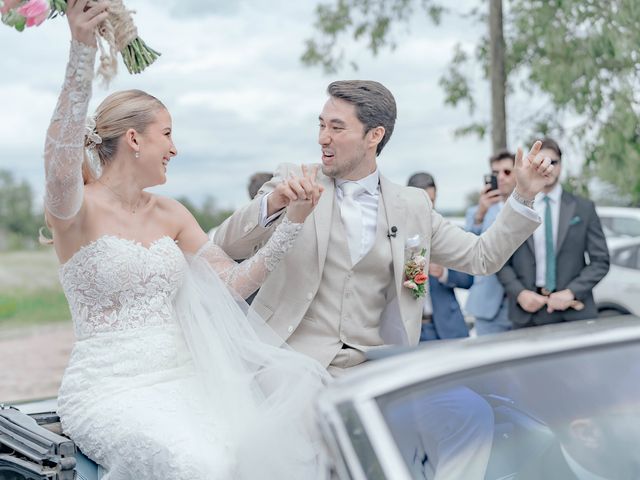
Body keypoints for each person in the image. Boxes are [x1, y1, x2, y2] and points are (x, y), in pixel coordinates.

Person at [46, 3, 329, 478]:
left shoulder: (173, 214)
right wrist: (82, 51)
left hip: (187, 381)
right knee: (198, 463)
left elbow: (231, 284)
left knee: (266, 449)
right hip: (109, 390)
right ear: (134, 139)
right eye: (168, 134)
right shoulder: (75, 209)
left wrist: (293, 221)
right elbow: (60, 152)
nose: (175, 148)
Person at [214, 78, 555, 377]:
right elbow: (228, 246)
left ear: (374, 135)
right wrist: (274, 204)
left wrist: (523, 196)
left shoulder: (413, 205)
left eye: (336, 127)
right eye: (321, 125)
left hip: (374, 367)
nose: (323, 138)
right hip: (286, 361)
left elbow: (482, 258)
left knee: (470, 418)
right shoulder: (293, 178)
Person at [497, 138, 609, 328]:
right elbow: (500, 260)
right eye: (541, 161)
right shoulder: (516, 207)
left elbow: (600, 261)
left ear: (561, 165)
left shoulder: (584, 208)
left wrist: (572, 292)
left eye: (553, 162)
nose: (547, 167)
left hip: (573, 311)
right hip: (527, 313)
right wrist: (520, 293)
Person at [407, 172, 473, 341]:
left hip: (449, 329)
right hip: (410, 334)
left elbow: (468, 279)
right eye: (423, 202)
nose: (428, 208)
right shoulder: (394, 234)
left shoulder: (444, 231)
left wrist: (444, 272)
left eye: (432, 202)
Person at [464, 150, 517, 335]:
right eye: (495, 173)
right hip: (488, 304)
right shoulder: (476, 212)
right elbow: (467, 250)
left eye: (507, 172)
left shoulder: (529, 209)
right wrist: (480, 214)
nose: (501, 177)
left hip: (523, 302)